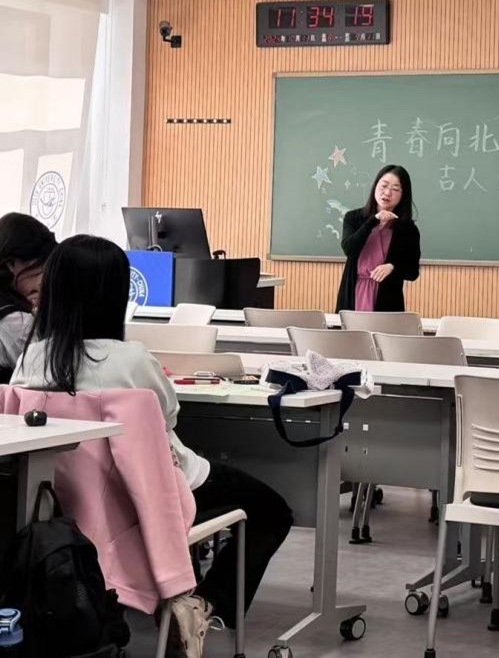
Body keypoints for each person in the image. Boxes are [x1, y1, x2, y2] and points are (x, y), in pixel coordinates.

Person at [13, 235, 293, 658]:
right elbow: (166, 419)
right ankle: (201, 604)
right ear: (114, 296)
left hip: (67, 501)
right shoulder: (132, 360)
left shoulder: (31, 359)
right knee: (272, 510)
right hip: (148, 494)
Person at [336, 164, 422, 312]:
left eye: (395, 189)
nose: (387, 192)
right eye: (384, 186)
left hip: (387, 299)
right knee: (350, 327)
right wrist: (373, 220)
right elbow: (349, 248)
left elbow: (413, 271)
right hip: (354, 292)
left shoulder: (408, 229)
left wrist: (392, 267)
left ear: (403, 195)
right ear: (375, 186)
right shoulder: (353, 218)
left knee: (384, 328)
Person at [0, 213, 55, 382]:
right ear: (11, 265)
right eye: (39, 270)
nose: (43, 281)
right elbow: (46, 376)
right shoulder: (16, 320)